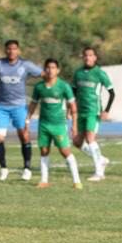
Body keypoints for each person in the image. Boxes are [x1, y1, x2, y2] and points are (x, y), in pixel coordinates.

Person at [0, 39, 43, 181]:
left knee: (24, 136)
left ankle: (27, 168)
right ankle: (3, 169)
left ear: (18, 50)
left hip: (19, 106)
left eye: (14, 49)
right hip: (1, 107)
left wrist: (46, 89)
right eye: (9, 49)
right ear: (5, 50)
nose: (11, 51)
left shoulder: (25, 65)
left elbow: (43, 74)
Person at [25, 58, 81, 189]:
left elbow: (73, 107)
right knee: (44, 150)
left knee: (65, 151)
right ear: (45, 70)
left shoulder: (64, 86)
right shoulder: (39, 87)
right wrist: (27, 119)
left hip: (59, 125)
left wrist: (74, 126)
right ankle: (44, 180)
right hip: (44, 124)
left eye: (53, 68)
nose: (50, 70)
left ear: (58, 70)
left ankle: (77, 181)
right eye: (48, 68)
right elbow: (33, 104)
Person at [72, 46, 116, 181]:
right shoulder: (78, 73)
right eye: (85, 55)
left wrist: (106, 110)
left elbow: (112, 93)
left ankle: (99, 173)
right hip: (81, 111)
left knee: (90, 139)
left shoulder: (100, 73)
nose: (88, 57)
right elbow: (73, 93)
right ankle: (101, 159)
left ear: (95, 58)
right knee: (77, 142)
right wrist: (71, 109)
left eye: (91, 55)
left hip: (93, 111)